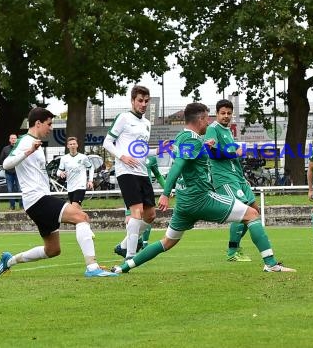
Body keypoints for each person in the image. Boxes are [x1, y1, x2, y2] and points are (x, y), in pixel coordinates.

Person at [110, 102, 295, 274]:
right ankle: (270, 264)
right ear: (199, 119)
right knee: (252, 215)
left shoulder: (183, 137)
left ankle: (123, 268)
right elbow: (179, 165)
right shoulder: (193, 140)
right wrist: (165, 194)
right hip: (200, 198)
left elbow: (189, 160)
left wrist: (205, 147)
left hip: (184, 204)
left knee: (166, 242)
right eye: (207, 118)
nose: (209, 121)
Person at [0, 107, 117, 277]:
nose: (51, 128)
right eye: (49, 124)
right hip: (37, 200)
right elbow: (6, 164)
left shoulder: (34, 142)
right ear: (38, 123)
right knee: (81, 217)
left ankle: (8, 261)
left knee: (52, 250)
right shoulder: (26, 141)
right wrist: (28, 152)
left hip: (37, 201)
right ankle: (92, 268)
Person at [103, 85, 158, 262]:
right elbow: (107, 142)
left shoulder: (147, 124)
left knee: (150, 216)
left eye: (146, 101)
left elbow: (142, 151)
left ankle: (124, 245)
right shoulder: (124, 118)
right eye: (140, 100)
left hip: (142, 173)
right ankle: (130, 257)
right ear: (133, 101)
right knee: (136, 212)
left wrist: (162, 150)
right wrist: (122, 156)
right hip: (126, 171)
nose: (143, 104)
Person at [204, 99, 254, 262]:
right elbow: (212, 153)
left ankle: (236, 247)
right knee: (242, 211)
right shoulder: (213, 129)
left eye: (229, 113)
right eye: (223, 113)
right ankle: (232, 252)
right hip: (223, 178)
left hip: (236, 177)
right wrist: (235, 153)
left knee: (254, 211)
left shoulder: (228, 131)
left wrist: (242, 177)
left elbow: (233, 159)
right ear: (216, 114)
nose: (226, 116)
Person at [114, 155, 166, 257]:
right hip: (133, 189)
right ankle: (130, 254)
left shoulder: (151, 158)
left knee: (149, 216)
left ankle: (128, 245)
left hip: (145, 187)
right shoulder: (128, 153)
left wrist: (166, 189)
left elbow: (158, 175)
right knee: (132, 219)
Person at [56, 137, 94, 209]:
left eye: (74, 144)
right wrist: (60, 174)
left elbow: (91, 167)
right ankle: (82, 219)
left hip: (80, 186)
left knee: (74, 207)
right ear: (68, 146)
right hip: (70, 187)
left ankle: (83, 219)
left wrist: (90, 181)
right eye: (70, 144)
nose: (72, 146)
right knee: (77, 209)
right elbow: (58, 171)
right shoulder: (64, 158)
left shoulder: (83, 157)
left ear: (77, 145)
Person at [0, 133, 22, 210]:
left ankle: (21, 206)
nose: (13, 139)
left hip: (18, 172)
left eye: (15, 138)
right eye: (12, 138)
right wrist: (6, 166)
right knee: (10, 190)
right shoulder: (5, 149)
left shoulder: (20, 149)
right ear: (9, 140)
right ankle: (12, 206)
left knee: (20, 189)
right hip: (8, 173)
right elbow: (1, 160)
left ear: (17, 139)